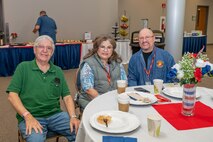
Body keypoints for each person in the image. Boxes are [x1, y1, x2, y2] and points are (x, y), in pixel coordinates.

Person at [6, 35, 80, 142]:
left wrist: (73, 116)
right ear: (34, 49)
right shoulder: (23, 67)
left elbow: (67, 96)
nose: (45, 50)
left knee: (80, 131)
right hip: (31, 115)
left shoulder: (58, 71)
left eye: (49, 48)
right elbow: (12, 96)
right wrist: (28, 116)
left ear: (52, 52)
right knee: (36, 139)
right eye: (41, 47)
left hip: (56, 115)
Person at [77, 35, 127, 110]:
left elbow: (124, 82)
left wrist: (117, 98)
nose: (105, 50)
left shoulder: (117, 63)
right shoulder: (88, 64)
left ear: (113, 50)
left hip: (113, 99)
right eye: (102, 47)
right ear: (97, 48)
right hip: (92, 100)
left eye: (109, 47)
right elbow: (88, 89)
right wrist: (104, 101)